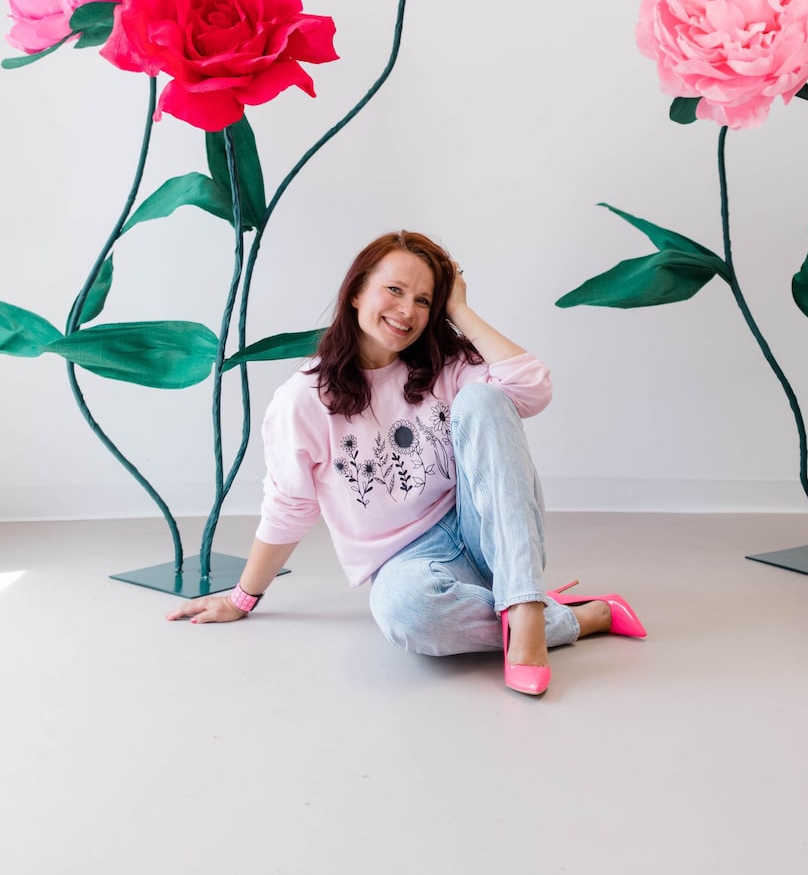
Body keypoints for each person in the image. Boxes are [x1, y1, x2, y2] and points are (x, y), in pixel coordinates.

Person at [166, 230, 645, 696]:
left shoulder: (448, 364)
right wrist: (241, 598)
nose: (406, 311)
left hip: (487, 527)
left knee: (484, 400)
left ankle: (523, 613)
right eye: (394, 290)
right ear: (356, 292)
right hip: (409, 561)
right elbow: (289, 506)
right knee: (404, 614)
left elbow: (532, 389)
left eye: (423, 300)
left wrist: (459, 308)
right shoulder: (304, 400)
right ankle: (572, 616)